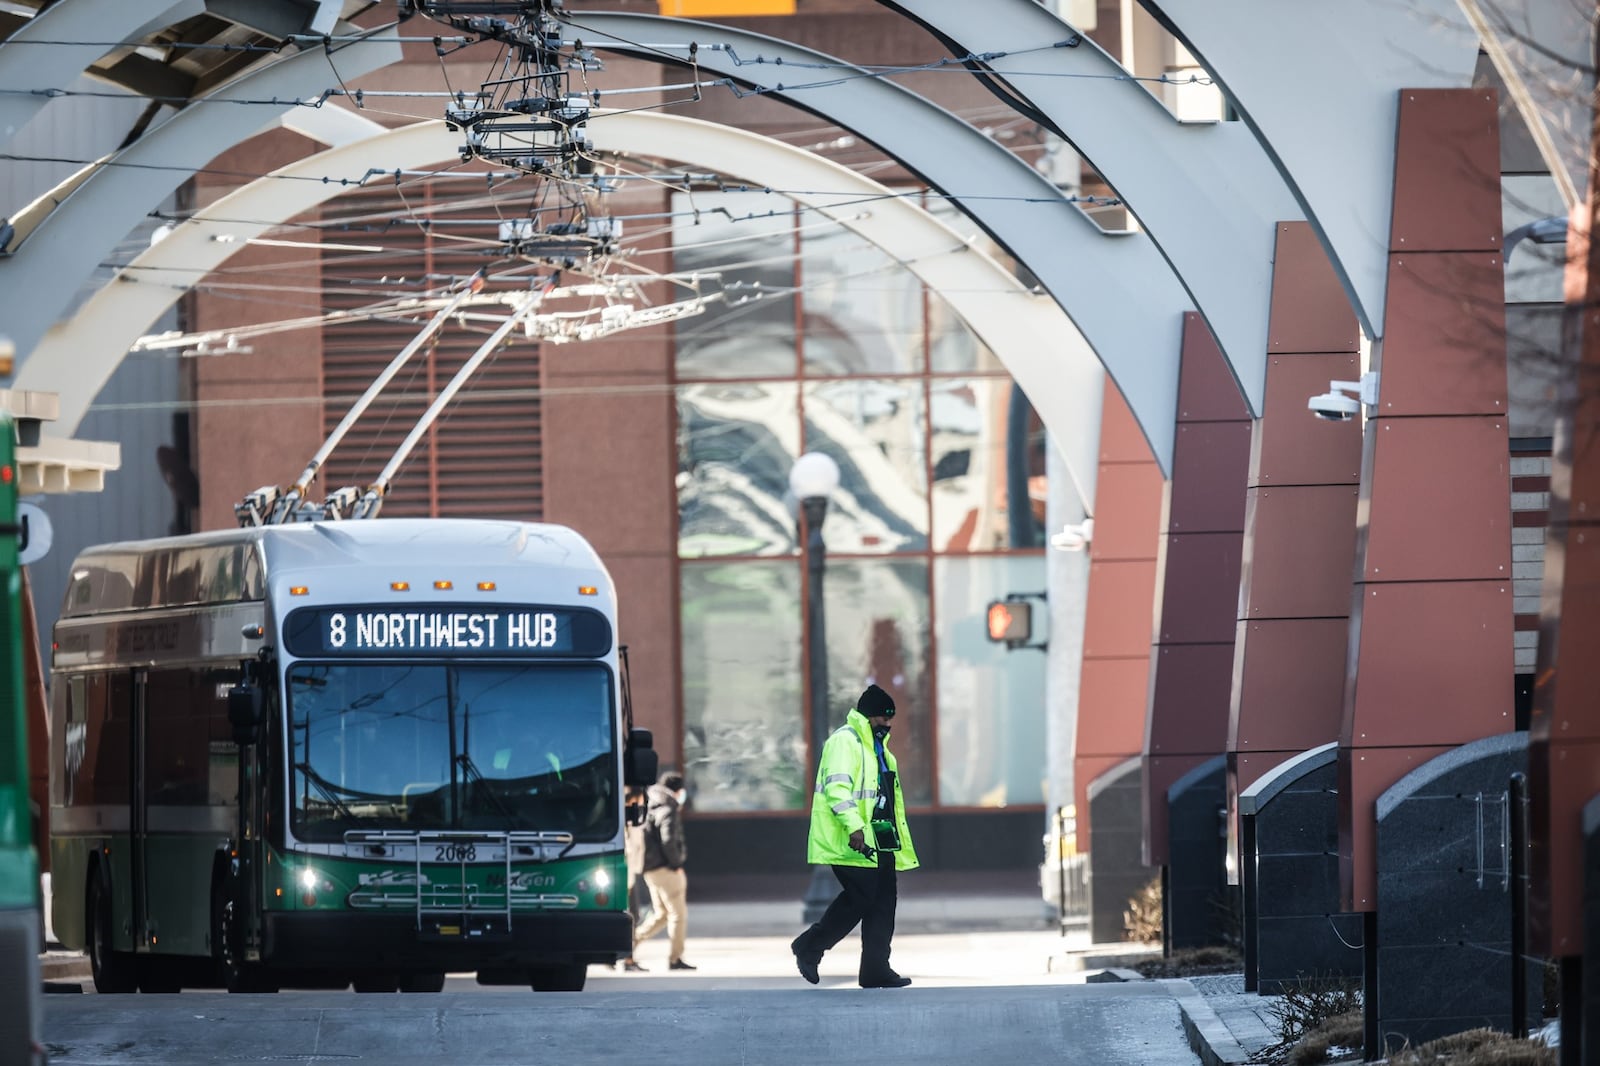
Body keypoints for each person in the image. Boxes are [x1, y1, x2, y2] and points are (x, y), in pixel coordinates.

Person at [790, 683, 919, 989]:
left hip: (882, 839)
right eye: (882, 718)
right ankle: (810, 945)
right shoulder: (845, 742)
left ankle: (876, 969)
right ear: (868, 715)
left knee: (883, 904)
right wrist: (855, 827)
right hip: (853, 839)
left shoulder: (880, 751)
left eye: (891, 719)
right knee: (861, 897)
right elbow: (837, 789)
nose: (887, 724)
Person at [632, 771, 695, 971]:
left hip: (649, 868)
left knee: (661, 914)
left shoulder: (651, 803)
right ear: (678, 790)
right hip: (665, 868)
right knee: (678, 914)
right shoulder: (668, 807)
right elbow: (668, 840)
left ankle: (628, 945)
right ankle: (675, 958)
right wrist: (676, 864)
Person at [617, 786, 649, 972]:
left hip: (630, 874)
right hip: (623, 876)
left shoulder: (633, 822)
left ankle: (628, 957)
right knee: (630, 916)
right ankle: (627, 958)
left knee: (634, 916)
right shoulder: (621, 822)